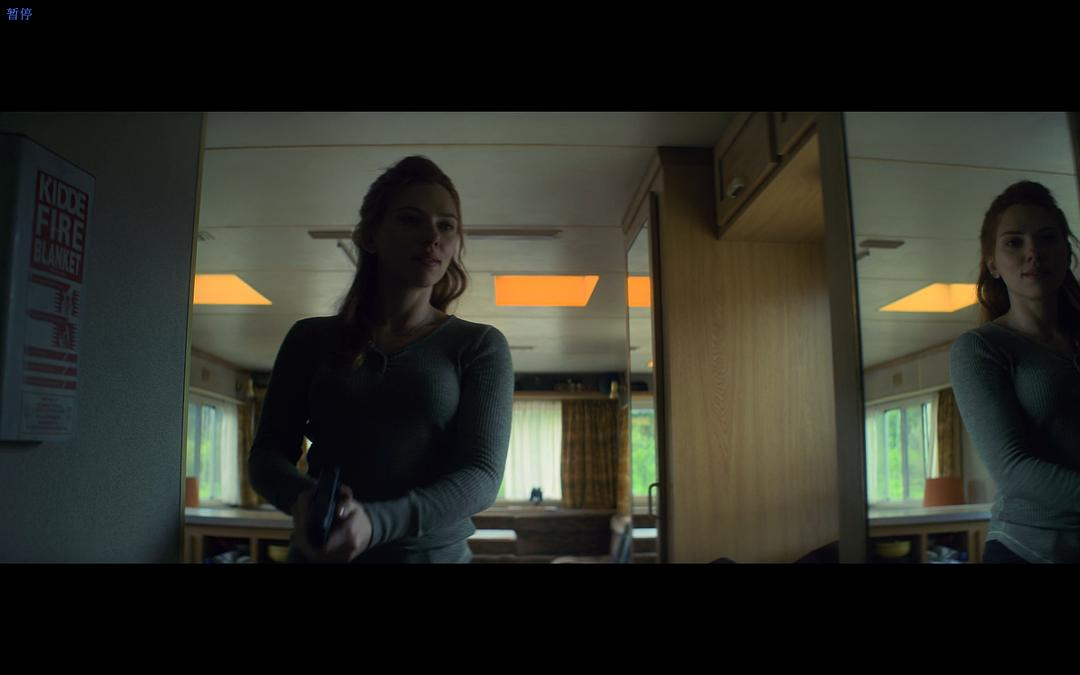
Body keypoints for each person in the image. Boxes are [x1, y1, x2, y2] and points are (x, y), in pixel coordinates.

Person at [249, 156, 514, 563]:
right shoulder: (309, 338)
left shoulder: (479, 345)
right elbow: (267, 455)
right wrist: (306, 499)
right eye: (411, 219)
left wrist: (376, 523)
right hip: (322, 554)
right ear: (370, 235)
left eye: (446, 225)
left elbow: (481, 474)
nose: (433, 236)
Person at [950, 180, 1080, 563]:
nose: (1033, 253)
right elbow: (1013, 468)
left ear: (1067, 251)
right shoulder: (980, 348)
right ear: (992, 263)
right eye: (1014, 242)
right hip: (1028, 550)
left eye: (1047, 238)